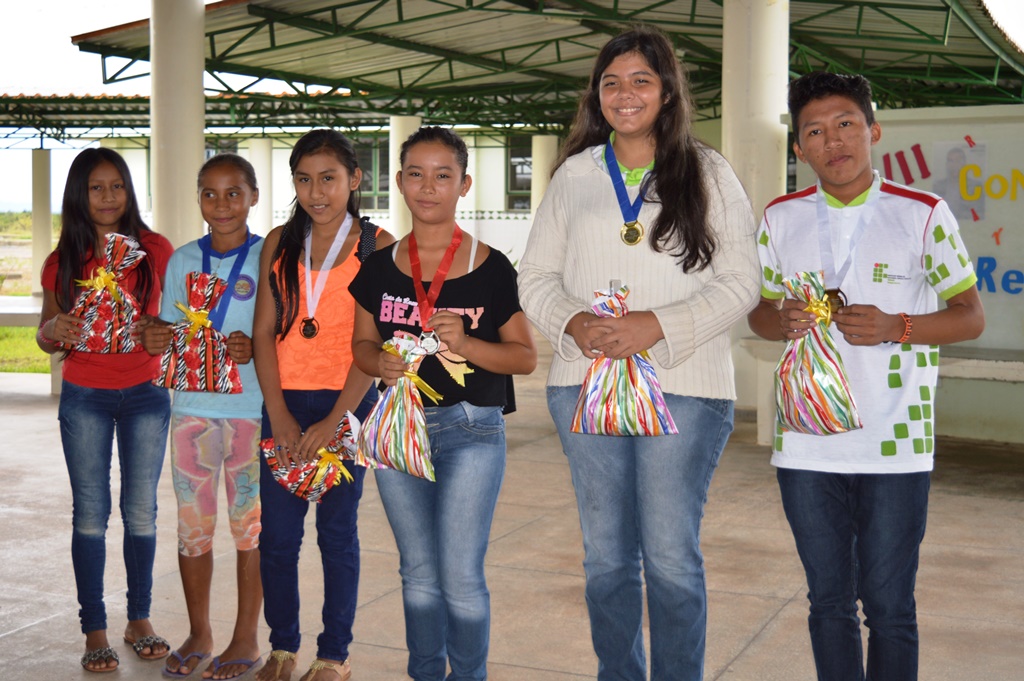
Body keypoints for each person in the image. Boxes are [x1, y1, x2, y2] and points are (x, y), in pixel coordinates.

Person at [517, 26, 761, 681]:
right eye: (611, 82)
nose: (625, 94)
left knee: (670, 555)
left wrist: (658, 324)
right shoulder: (573, 175)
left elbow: (743, 281)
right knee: (605, 558)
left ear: (668, 91)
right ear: (597, 96)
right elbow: (534, 275)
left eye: (640, 81)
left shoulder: (708, 172)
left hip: (684, 383)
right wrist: (574, 322)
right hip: (583, 382)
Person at [747, 72, 985, 681]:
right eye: (816, 132)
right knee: (827, 603)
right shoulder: (780, 218)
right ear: (799, 148)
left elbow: (969, 317)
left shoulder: (924, 214)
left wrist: (896, 326)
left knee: (889, 607)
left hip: (896, 445)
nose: (834, 141)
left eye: (847, 124)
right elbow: (758, 315)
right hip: (806, 445)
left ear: (873, 131)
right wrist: (782, 318)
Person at [350, 126, 537, 681]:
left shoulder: (492, 265)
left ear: (464, 184)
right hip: (396, 430)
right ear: (400, 183)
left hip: (471, 431)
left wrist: (469, 343)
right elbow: (360, 346)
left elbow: (524, 358)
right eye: (415, 174)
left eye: (442, 175)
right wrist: (377, 362)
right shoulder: (379, 266)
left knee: (458, 573)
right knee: (418, 571)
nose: (427, 187)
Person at [252, 128, 393, 681]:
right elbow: (264, 333)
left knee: (337, 534)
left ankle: (334, 655)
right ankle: (282, 648)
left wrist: (337, 420)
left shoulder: (378, 245)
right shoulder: (278, 243)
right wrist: (280, 412)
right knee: (279, 538)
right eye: (304, 179)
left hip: (349, 403)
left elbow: (377, 343)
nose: (317, 192)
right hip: (283, 403)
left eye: (329, 179)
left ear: (354, 180)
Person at [36, 148, 174, 673]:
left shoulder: (155, 248)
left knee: (141, 509)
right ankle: (94, 627)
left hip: (145, 392)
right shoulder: (63, 259)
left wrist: (159, 330)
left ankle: (139, 618)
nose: (109, 196)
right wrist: (56, 330)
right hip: (85, 395)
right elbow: (47, 334)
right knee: (90, 514)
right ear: (79, 194)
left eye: (117, 185)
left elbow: (174, 318)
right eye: (97, 187)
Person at [140, 153, 264, 679]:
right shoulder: (183, 261)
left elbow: (282, 335)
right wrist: (153, 333)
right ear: (198, 200)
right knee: (193, 529)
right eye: (209, 194)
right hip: (191, 412)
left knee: (250, 530)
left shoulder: (269, 257)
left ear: (253, 196)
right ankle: (200, 630)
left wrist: (253, 346)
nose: (221, 204)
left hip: (251, 413)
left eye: (233, 192)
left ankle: (244, 637)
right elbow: (165, 330)